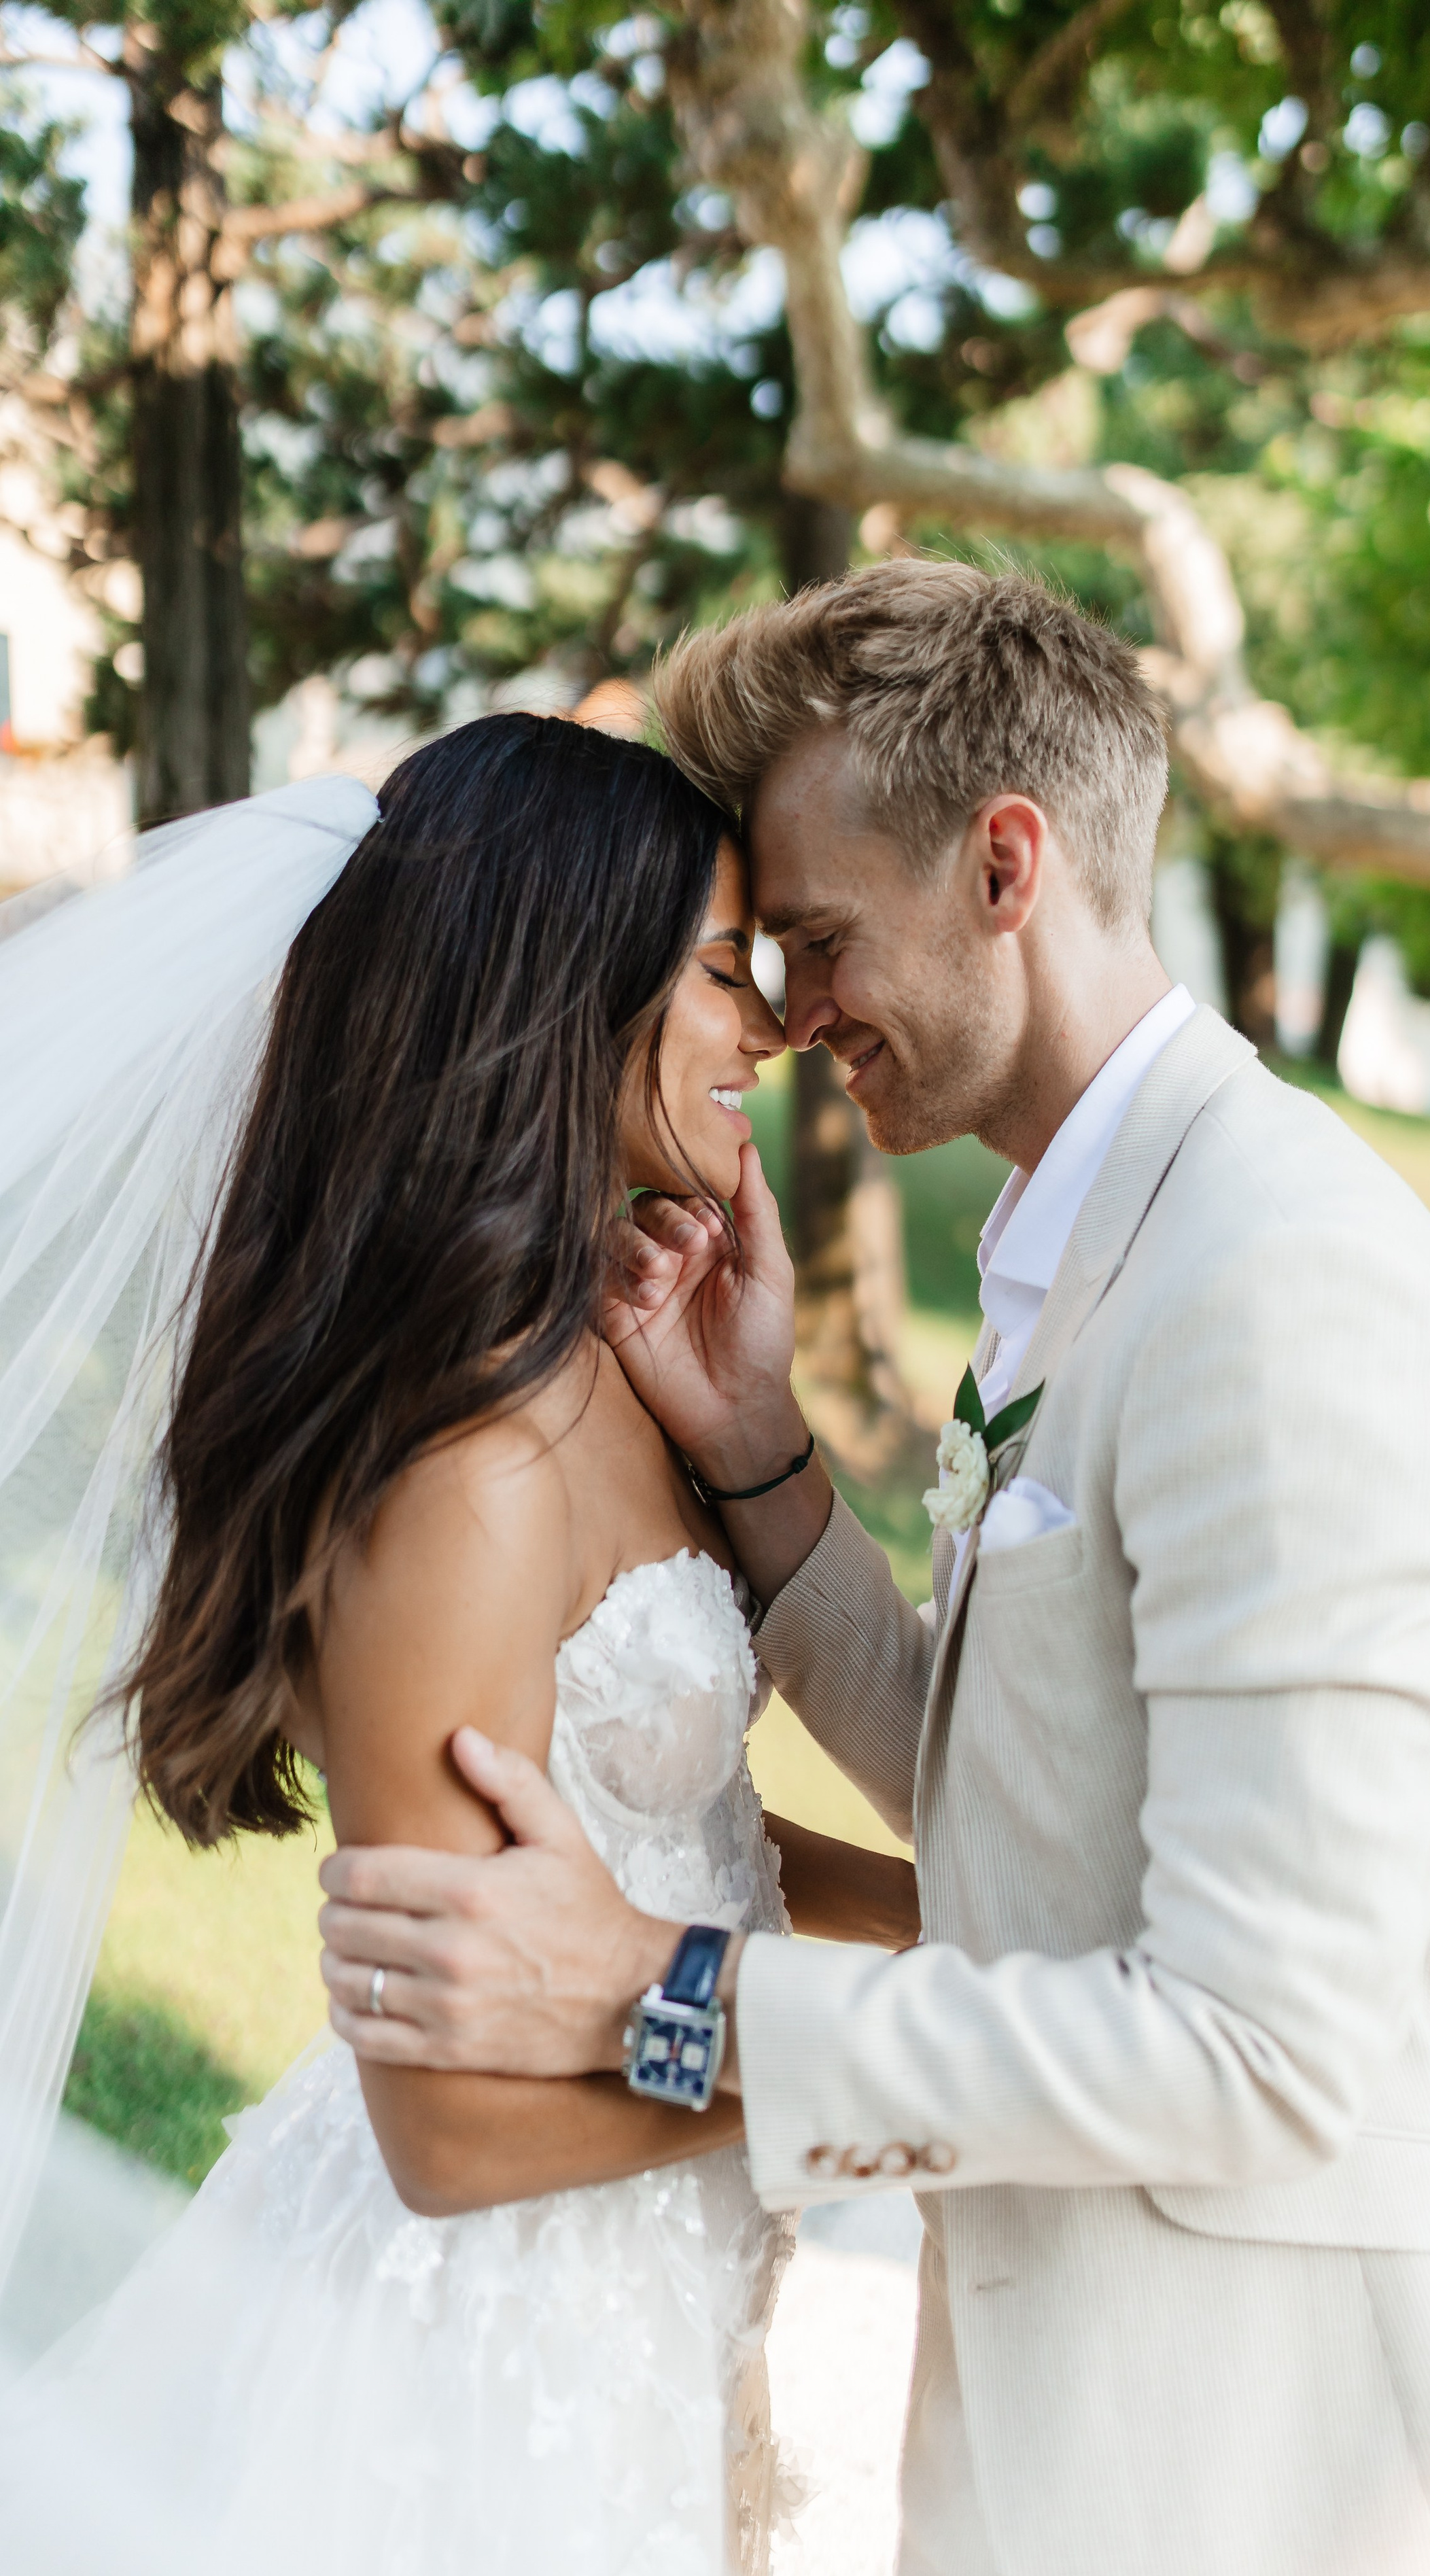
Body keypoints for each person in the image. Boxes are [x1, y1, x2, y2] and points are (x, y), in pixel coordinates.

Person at [323, 564, 1430, 2576]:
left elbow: (1269, 2045)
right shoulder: (1089, 1257)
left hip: (1243, 2467)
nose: (788, 1022)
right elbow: (1043, 1806)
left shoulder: (1279, 1278)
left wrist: (664, 1997)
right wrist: (765, 1465)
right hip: (1054, 2442)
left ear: (1003, 864)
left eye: (810, 938)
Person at [0, 712, 917, 2576]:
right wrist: (885, 2064)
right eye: (720, 970)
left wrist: (985, 1919)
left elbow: (695, 1844)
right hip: (474, 2364)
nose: (768, 1027)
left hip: (634, 2311)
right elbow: (453, 2131)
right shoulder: (467, 1473)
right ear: (560, 988)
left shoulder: (603, 1371)